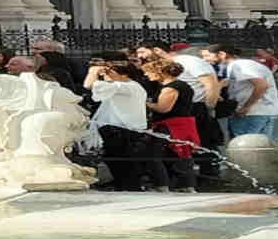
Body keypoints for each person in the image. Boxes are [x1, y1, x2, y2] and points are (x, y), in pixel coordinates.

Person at [84, 60, 163, 191]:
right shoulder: (129, 86)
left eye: (110, 72)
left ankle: (129, 188)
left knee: (123, 164)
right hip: (122, 130)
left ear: (124, 74)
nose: (105, 74)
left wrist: (93, 71)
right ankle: (126, 187)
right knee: (119, 162)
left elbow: (88, 85)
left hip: (122, 131)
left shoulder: (125, 87)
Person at [145, 58, 199, 192]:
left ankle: (161, 185)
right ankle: (186, 186)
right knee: (180, 153)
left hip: (171, 125)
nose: (146, 74)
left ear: (160, 72)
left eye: (149, 71)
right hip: (183, 124)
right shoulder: (182, 85)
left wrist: (145, 103)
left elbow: (163, 108)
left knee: (154, 155)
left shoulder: (170, 88)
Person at [208, 45, 278, 141]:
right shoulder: (244, 65)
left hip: (251, 113)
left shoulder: (239, 65)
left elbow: (262, 85)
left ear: (222, 54)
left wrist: (245, 107)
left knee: (243, 147)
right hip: (264, 111)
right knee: (260, 148)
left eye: (209, 56)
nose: (206, 59)